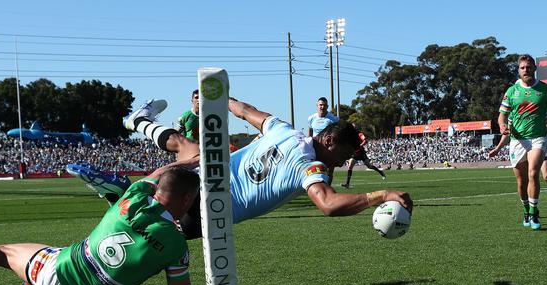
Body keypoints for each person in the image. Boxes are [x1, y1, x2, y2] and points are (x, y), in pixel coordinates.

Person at [77, 96, 412, 240]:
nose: (346, 159)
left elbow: (246, 111)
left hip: (198, 181)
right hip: (209, 211)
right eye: (346, 152)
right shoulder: (309, 167)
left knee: (186, 148)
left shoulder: (284, 129)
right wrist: (381, 193)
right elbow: (328, 204)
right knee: (139, 239)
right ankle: (120, 191)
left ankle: (138, 125)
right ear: (327, 141)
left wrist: (218, 96)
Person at [0, 165, 199, 285]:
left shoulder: (133, 194)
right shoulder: (177, 244)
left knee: (1, 253)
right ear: (187, 198)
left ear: (157, 189)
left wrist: (186, 161)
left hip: (56, 273)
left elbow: (157, 174)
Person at [497, 54, 547, 230]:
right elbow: (502, 116)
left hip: (537, 138)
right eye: (522, 68)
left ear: (534, 69)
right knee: (521, 182)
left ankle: (534, 212)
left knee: (533, 173)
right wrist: (501, 126)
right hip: (517, 141)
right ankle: (526, 209)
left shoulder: (546, 90)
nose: (526, 70)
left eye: (529, 67)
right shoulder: (512, 92)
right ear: (518, 70)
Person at [488, 118, 547, 218]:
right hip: (521, 147)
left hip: (537, 145)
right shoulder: (514, 109)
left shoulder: (537, 105)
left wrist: (538, 131)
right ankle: (530, 210)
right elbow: (508, 132)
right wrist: (498, 149)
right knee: (524, 181)